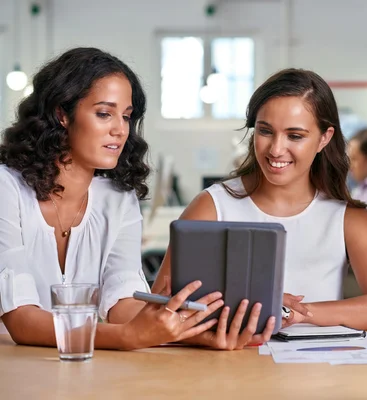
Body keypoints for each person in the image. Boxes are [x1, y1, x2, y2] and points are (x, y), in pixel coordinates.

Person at [0, 47, 228, 350]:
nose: (120, 130)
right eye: (104, 114)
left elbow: (122, 302)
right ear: (62, 114)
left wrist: (190, 330)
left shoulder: (119, 198)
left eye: (126, 116)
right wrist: (127, 337)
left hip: (76, 371)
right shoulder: (6, 188)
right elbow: (22, 321)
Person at [153, 68, 367, 337]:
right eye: (265, 131)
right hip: (224, 370)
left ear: (324, 138)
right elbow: (158, 310)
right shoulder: (211, 206)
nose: (276, 149)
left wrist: (296, 313)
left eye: (295, 136)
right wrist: (257, 305)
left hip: (318, 373)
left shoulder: (348, 218)